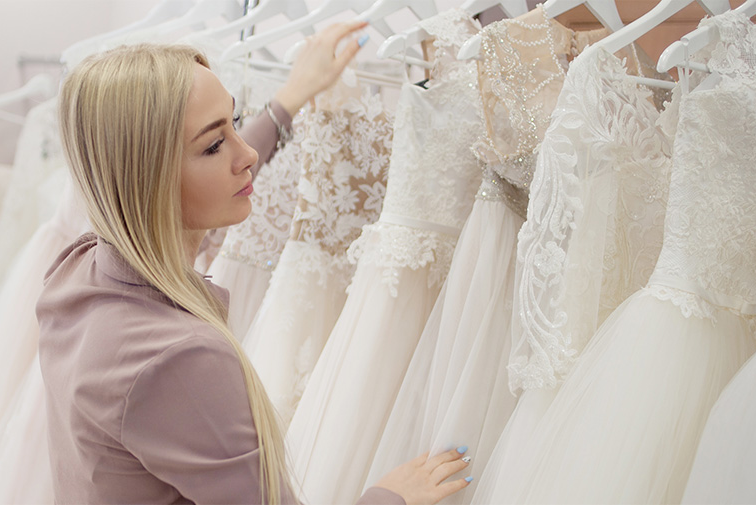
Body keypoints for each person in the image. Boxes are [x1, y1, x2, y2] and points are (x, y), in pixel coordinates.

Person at [36, 20, 472, 505]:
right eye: (214, 145)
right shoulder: (177, 359)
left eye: (235, 122)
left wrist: (290, 99)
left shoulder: (78, 270)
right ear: (149, 178)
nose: (245, 155)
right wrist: (390, 497)